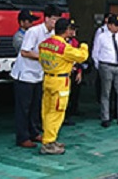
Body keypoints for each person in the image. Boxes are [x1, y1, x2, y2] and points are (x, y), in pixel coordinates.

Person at [10, 4, 61, 148]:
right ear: (47, 18)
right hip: (25, 75)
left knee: (35, 107)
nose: (55, 23)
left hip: (39, 75)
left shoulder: (53, 35)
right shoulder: (33, 32)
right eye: (54, 19)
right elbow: (25, 52)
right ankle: (22, 137)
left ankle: (34, 132)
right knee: (23, 108)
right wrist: (44, 56)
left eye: (58, 20)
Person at [38, 18, 89, 155]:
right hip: (60, 82)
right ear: (66, 30)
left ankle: (50, 138)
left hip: (47, 78)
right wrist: (84, 46)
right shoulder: (64, 48)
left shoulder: (44, 44)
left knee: (47, 111)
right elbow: (82, 56)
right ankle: (48, 143)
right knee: (56, 113)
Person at [93, 15, 118, 128]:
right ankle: (105, 117)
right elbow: (96, 52)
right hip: (106, 65)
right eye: (116, 25)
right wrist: (98, 67)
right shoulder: (101, 37)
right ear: (109, 25)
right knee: (106, 92)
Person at [64, 19, 84, 126]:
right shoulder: (61, 42)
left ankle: (72, 112)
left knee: (74, 93)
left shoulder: (75, 42)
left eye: (74, 29)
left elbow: (79, 58)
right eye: (71, 29)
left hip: (75, 71)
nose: (73, 32)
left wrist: (79, 72)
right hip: (64, 72)